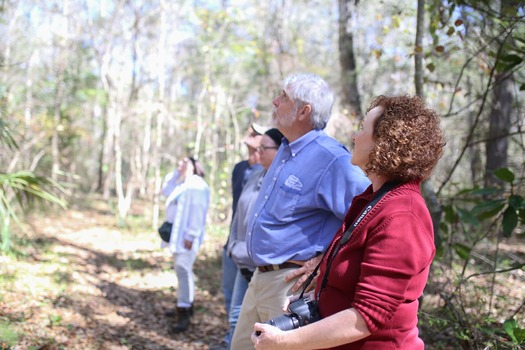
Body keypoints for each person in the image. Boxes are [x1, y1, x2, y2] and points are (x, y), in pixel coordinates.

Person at [251, 95, 446, 349]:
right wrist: (317, 296)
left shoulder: (403, 215)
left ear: (386, 144)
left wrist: (285, 341)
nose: (355, 136)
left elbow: (367, 318)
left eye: (363, 129)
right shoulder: (373, 200)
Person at [230, 73, 370, 349]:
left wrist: (325, 260)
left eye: (284, 97)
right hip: (259, 277)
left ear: (303, 111)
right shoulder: (284, 149)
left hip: (289, 287)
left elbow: (368, 214)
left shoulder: (331, 159)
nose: (275, 101)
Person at [225, 128, 284, 349]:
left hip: (268, 267)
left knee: (266, 332)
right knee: (235, 319)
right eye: (257, 148)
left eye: (263, 148)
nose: (257, 153)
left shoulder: (283, 179)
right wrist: (232, 247)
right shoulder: (254, 175)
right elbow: (238, 214)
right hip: (242, 262)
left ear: (280, 150)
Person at [217, 123, 266, 348]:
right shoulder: (240, 169)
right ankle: (231, 339)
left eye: (256, 133)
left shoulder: (271, 173)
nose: (250, 135)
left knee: (247, 304)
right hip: (233, 243)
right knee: (230, 295)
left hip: (254, 251)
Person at [160, 157, 210, 334]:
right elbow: (165, 190)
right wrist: (177, 173)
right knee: (180, 270)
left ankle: (185, 312)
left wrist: (191, 235)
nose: (179, 165)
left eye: (183, 162)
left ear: (193, 165)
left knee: (183, 269)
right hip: (177, 236)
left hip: (187, 238)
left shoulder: (197, 184)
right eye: (178, 162)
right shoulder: (183, 184)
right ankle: (184, 304)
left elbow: (198, 211)